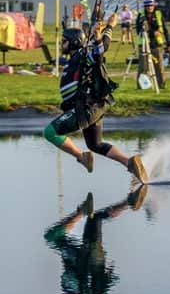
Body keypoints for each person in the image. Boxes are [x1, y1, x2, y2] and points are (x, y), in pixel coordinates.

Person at [43, 20, 149, 184]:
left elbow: (99, 52)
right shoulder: (77, 57)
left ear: (74, 42)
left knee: (50, 132)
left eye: (64, 41)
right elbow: (100, 46)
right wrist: (108, 28)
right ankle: (129, 162)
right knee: (96, 144)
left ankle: (81, 157)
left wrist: (101, 34)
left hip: (86, 108)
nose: (61, 44)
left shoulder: (83, 56)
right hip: (92, 107)